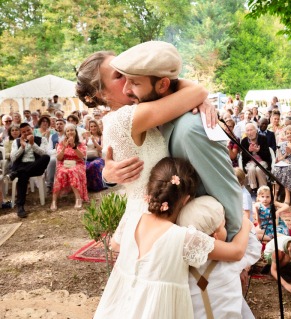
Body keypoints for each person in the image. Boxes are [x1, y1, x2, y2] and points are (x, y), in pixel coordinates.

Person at [79, 42, 242, 242]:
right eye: (119, 75)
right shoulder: (127, 118)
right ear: (101, 94)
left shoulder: (150, 112)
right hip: (155, 220)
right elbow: (198, 91)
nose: (128, 75)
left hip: (172, 220)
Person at [93, 157, 250, 319]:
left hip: (115, 310)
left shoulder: (133, 217)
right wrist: (245, 222)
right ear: (187, 200)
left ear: (150, 190)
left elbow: (115, 244)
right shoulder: (184, 239)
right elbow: (237, 251)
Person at [177, 195, 261, 319]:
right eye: (224, 226)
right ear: (216, 235)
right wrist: (245, 224)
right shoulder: (229, 263)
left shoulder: (183, 268)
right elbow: (254, 250)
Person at [4, 123, 50, 218]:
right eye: (23, 132)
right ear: (21, 132)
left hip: (35, 166)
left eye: (28, 130)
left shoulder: (42, 139)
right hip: (21, 165)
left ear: (32, 129)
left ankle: (15, 173)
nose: (26, 133)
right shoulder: (16, 141)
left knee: (46, 157)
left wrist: (33, 144)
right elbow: (13, 158)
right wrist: (22, 147)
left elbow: (44, 153)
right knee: (23, 174)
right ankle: (20, 206)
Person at [50, 124, 88, 211]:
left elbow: (82, 157)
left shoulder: (81, 144)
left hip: (78, 164)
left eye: (72, 130)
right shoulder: (61, 143)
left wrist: (74, 146)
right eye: (68, 131)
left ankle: (78, 198)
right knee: (60, 173)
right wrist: (64, 147)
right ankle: (54, 200)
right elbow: (59, 158)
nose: (70, 132)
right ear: (65, 133)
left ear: (75, 132)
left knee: (73, 171)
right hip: (64, 164)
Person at [240, 123, 271, 191]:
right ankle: (253, 188)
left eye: (251, 130)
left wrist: (258, 151)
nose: (250, 132)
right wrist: (249, 152)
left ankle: (263, 189)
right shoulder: (244, 141)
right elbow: (244, 158)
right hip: (250, 162)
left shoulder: (263, 139)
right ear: (246, 132)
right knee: (251, 169)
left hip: (262, 161)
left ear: (256, 130)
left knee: (259, 169)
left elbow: (267, 156)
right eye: (248, 130)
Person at [84, 119, 106, 192]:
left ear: (97, 127)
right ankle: (88, 187)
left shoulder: (101, 136)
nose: (93, 128)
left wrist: (94, 141)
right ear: (89, 128)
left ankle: (98, 186)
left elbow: (101, 149)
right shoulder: (87, 136)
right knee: (85, 166)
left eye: (95, 126)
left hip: (98, 157)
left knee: (94, 165)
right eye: (91, 126)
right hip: (88, 157)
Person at [46, 118, 66, 193]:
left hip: (66, 155)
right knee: (52, 160)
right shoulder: (52, 136)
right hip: (55, 155)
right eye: (57, 124)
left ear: (64, 125)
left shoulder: (68, 135)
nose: (59, 126)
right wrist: (57, 150)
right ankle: (49, 185)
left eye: (61, 124)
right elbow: (48, 151)